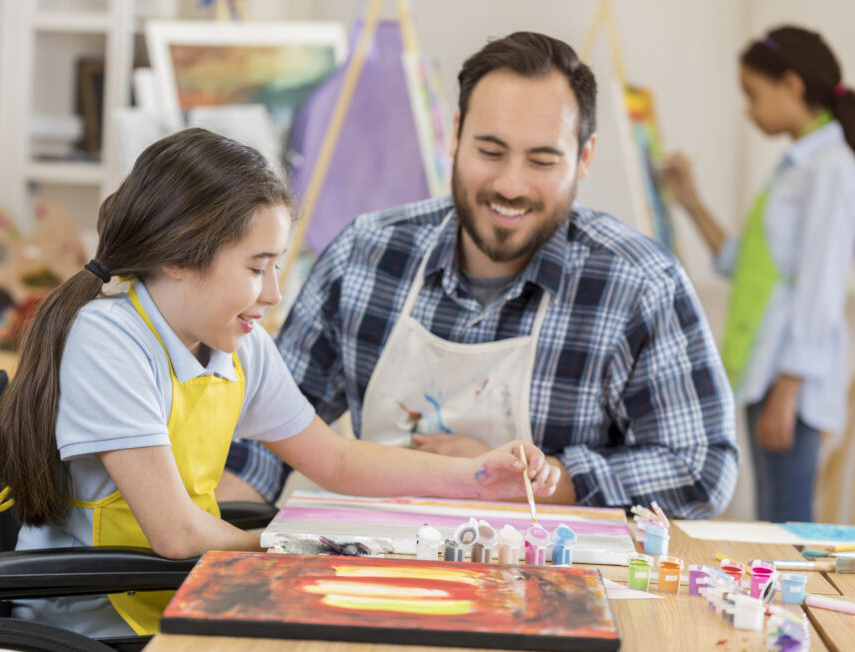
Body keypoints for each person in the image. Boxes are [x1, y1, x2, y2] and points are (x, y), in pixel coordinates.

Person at [0, 128, 556, 638]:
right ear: (179, 255)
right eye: (257, 268)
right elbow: (176, 535)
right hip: (95, 625)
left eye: (277, 266)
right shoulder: (110, 339)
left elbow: (333, 460)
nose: (273, 294)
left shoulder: (237, 345)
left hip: (178, 596)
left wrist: (481, 478)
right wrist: (300, 549)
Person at [223, 31, 739, 519]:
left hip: (551, 585)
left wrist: (537, 482)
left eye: (542, 160)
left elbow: (702, 468)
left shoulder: (640, 284)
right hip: (377, 569)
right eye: (490, 152)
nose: (510, 185)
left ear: (584, 158)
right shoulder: (366, 254)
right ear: (455, 136)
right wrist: (208, 537)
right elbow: (268, 427)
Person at [663, 26, 855, 523]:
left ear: (791, 84)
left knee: (786, 525)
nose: (748, 110)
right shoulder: (796, 166)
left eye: (753, 94)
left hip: (789, 380)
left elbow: (823, 287)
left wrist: (788, 389)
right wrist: (690, 200)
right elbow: (741, 263)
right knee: (775, 519)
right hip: (766, 372)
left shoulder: (830, 169)